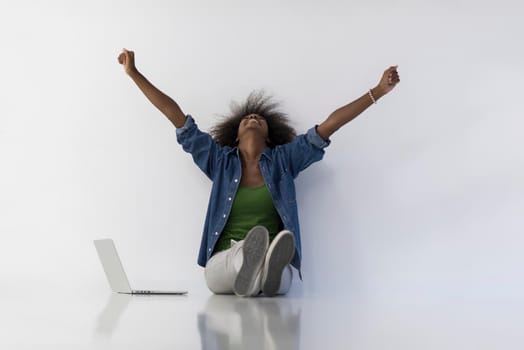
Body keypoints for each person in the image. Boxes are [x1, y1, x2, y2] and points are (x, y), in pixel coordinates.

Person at [117, 48, 400, 297]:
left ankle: (264, 271)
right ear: (236, 137)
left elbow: (329, 125)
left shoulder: (284, 160)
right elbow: (176, 116)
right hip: (223, 262)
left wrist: (377, 91)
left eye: (259, 120)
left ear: (269, 137)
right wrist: (134, 73)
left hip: (269, 264)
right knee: (235, 263)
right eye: (246, 120)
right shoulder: (219, 161)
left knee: (281, 278)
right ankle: (252, 265)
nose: (252, 119)